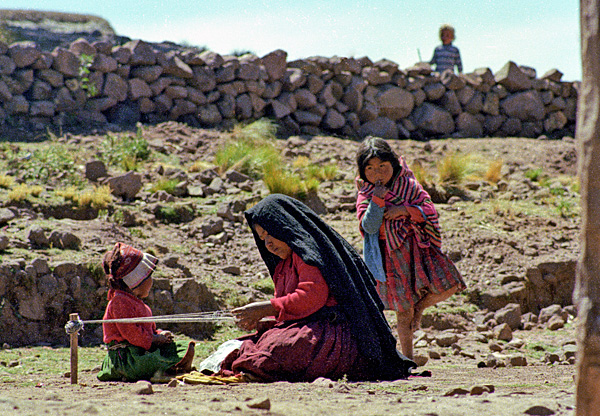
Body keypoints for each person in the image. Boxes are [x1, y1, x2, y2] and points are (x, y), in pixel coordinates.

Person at [215, 193, 415, 382]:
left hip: (334, 334)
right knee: (249, 342)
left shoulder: (309, 257)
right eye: (261, 238)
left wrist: (268, 307)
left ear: (285, 226)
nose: (267, 243)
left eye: (270, 233)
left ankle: (255, 367)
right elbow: (291, 307)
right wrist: (266, 317)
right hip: (309, 327)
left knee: (281, 348)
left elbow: (311, 297)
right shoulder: (283, 265)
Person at [355, 137, 466, 360]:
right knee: (403, 312)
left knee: (451, 285)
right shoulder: (366, 194)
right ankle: (408, 361)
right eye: (370, 168)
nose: (377, 173)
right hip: (390, 258)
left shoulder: (408, 185)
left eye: (382, 167)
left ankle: (420, 307)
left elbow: (429, 210)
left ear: (393, 165)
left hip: (419, 250)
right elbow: (368, 226)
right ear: (363, 171)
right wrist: (378, 201)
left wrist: (404, 210)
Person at [97, 242, 196, 382]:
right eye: (148, 278)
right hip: (127, 358)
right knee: (152, 361)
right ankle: (163, 371)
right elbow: (132, 334)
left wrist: (160, 334)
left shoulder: (138, 303)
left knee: (185, 348)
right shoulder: (119, 303)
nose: (151, 281)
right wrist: (155, 340)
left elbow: (149, 330)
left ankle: (168, 369)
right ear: (136, 281)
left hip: (142, 350)